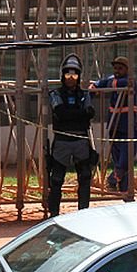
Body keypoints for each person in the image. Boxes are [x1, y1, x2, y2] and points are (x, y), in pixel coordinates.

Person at [47, 54, 96, 217]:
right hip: (62, 141)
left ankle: (83, 214)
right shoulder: (56, 94)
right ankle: (53, 215)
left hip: (81, 141)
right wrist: (81, 113)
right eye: (67, 74)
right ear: (62, 75)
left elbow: (89, 113)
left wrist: (76, 114)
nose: (71, 78)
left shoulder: (84, 94)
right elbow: (60, 113)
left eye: (74, 75)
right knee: (56, 180)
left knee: (85, 177)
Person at [91, 55, 137, 193]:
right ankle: (124, 191)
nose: (117, 70)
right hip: (113, 125)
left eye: (120, 68)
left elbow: (112, 83)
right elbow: (103, 83)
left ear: (127, 69)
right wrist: (94, 86)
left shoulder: (129, 81)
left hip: (127, 125)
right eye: (115, 68)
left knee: (127, 158)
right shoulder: (114, 80)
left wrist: (101, 84)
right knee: (118, 160)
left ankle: (112, 180)